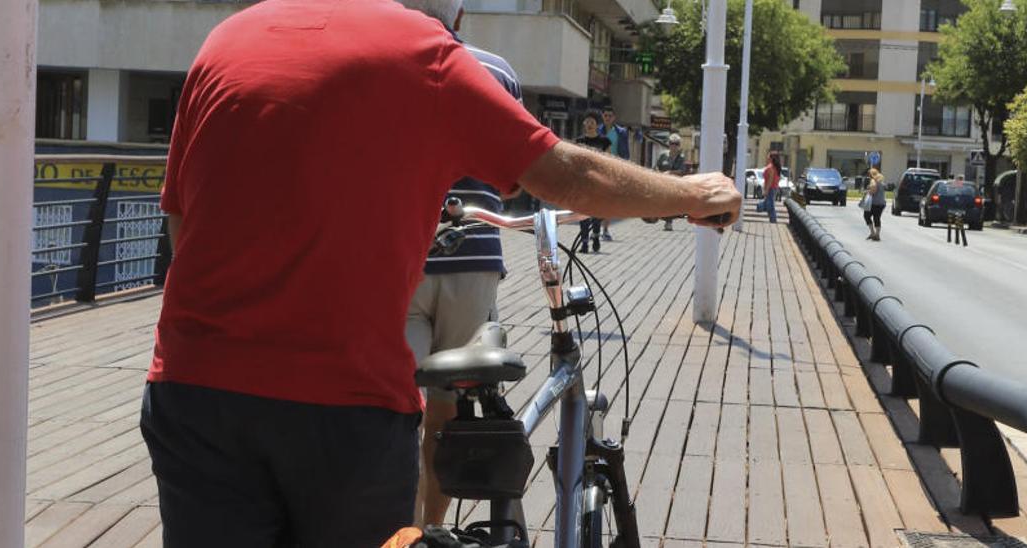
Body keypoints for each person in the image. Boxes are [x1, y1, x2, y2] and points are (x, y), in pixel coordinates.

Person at [142, 2, 741, 545]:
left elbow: (179, 217)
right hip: (341, 404)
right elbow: (565, 177)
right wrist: (688, 193)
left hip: (193, 389)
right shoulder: (420, 51)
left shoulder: (226, 40)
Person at [398, 0, 520, 529]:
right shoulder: (494, 72)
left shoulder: (383, 67)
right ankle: (432, 527)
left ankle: (394, 531)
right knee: (447, 408)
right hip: (471, 261)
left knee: (396, 406)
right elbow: (509, 170)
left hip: (399, 258)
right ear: (461, 16)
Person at [574, 111, 611, 253]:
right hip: (583, 181)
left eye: (592, 122)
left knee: (596, 212)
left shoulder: (604, 141)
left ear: (597, 125)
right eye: (587, 122)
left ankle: (595, 235)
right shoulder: (579, 141)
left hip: (598, 181)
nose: (589, 124)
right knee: (582, 212)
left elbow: (609, 162)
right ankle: (584, 243)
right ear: (584, 124)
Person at [598, 106, 630, 241]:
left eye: (610, 115)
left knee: (608, 199)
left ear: (614, 118)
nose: (608, 118)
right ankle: (596, 227)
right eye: (605, 115)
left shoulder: (621, 132)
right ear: (602, 116)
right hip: (598, 168)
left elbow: (625, 152)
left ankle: (605, 229)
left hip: (613, 169)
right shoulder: (597, 130)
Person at [655, 133, 687, 231]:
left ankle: (669, 222)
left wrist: (670, 172)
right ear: (669, 144)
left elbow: (682, 171)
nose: (673, 146)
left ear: (679, 145)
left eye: (676, 143)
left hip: (675, 183)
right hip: (663, 182)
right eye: (671, 143)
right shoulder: (663, 155)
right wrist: (658, 174)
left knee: (671, 202)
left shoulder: (681, 157)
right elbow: (657, 166)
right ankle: (663, 218)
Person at [863, 168, 887, 241]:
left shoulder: (873, 181)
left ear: (871, 175)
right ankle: (877, 235)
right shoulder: (881, 181)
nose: (868, 176)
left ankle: (873, 233)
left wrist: (867, 192)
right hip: (881, 203)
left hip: (874, 203)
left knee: (866, 216)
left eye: (869, 174)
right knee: (877, 218)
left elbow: (873, 190)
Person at [761, 152, 781, 224]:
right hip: (774, 187)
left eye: (768, 155)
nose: (767, 157)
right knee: (770, 204)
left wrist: (766, 190)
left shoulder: (771, 167)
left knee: (771, 205)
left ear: (772, 158)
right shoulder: (776, 167)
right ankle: (772, 220)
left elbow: (770, 180)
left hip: (771, 188)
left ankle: (773, 220)